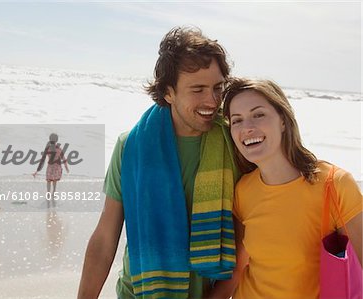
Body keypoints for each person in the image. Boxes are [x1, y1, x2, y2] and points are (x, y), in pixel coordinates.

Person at [78, 27, 240, 299]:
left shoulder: (235, 143)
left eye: (217, 88)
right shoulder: (131, 147)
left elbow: (248, 241)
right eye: (197, 89)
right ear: (168, 92)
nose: (212, 101)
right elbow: (106, 237)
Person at [209, 78, 362, 299]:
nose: (247, 127)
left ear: (283, 119)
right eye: (237, 120)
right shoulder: (243, 190)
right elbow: (237, 270)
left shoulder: (335, 184)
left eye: (258, 114)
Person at [33, 134, 69, 200]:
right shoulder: (59, 149)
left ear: (50, 139)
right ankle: (54, 192)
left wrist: (37, 171)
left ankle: (48, 193)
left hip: (50, 167)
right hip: (57, 167)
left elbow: (42, 160)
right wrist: (67, 168)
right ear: (57, 140)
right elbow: (64, 159)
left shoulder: (47, 148)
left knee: (49, 180)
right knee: (55, 180)